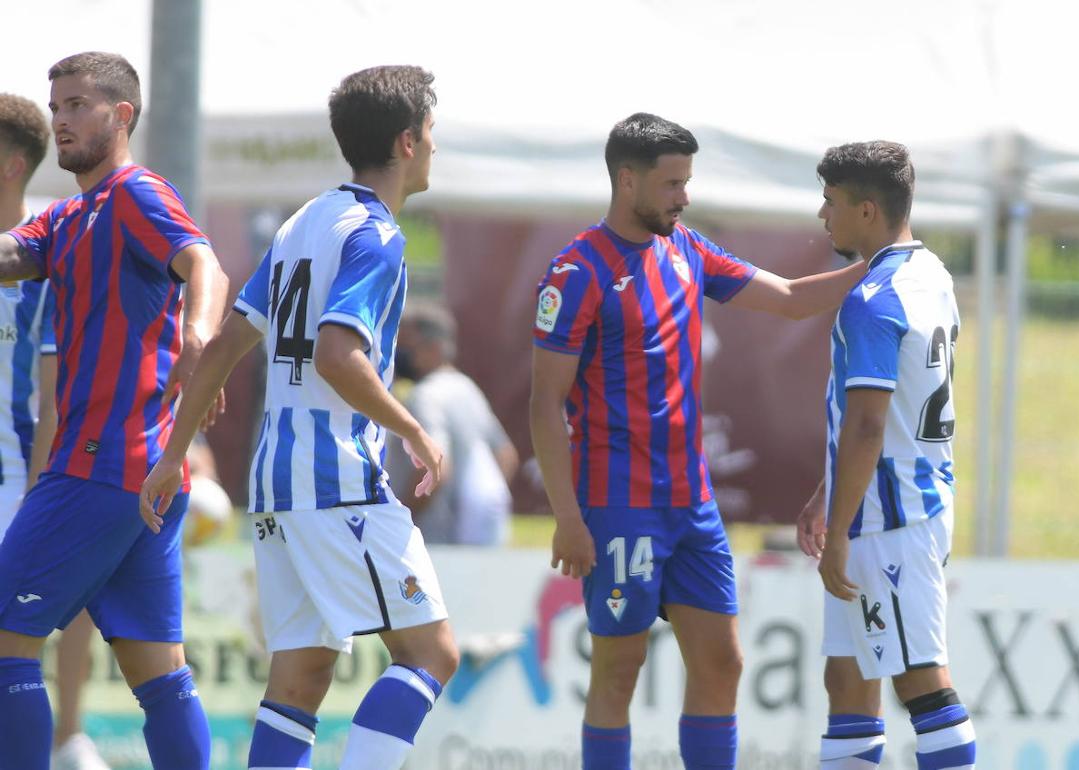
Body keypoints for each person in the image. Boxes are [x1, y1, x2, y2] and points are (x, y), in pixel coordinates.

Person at [140, 64, 458, 770]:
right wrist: (412, 429)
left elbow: (225, 344)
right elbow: (338, 356)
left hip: (274, 481)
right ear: (407, 142)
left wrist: (173, 453)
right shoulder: (377, 235)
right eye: (432, 131)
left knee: (300, 678)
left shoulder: (302, 221)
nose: (436, 146)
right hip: (335, 476)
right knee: (431, 654)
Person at [529, 112, 867, 770]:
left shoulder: (686, 248)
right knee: (618, 671)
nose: (684, 196)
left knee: (723, 661)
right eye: (672, 183)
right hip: (618, 506)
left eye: (687, 181)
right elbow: (544, 404)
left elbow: (790, 296)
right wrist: (568, 518)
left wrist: (886, 265)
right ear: (627, 180)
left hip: (693, 505)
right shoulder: (576, 271)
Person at [0, 52, 229, 770]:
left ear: (121, 115)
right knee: (159, 675)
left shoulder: (135, 193)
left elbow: (205, 263)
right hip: (146, 476)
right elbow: (8, 255)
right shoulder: (69, 215)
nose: (61, 121)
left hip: (99, 464)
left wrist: (199, 335)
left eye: (77, 105)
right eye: (56, 108)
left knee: (5, 641)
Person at [795, 141, 976, 769]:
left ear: (867, 210)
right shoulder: (932, 274)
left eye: (831, 201)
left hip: (888, 517)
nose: (823, 215)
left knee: (920, 681)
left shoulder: (872, 299)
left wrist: (840, 531)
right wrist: (828, 492)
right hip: (902, 498)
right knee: (846, 680)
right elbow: (890, 412)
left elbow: (870, 425)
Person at [0, 91, 112, 770]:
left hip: (17, 476)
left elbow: (54, 400)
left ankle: (69, 736)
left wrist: (40, 497)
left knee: (62, 611)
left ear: (12, 164)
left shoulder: (47, 260)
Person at [387, 302, 518, 545]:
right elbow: (506, 454)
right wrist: (476, 518)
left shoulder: (425, 396)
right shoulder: (466, 387)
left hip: (433, 539)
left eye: (404, 346)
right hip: (465, 542)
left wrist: (398, 521)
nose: (397, 354)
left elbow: (435, 465)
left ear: (434, 348)